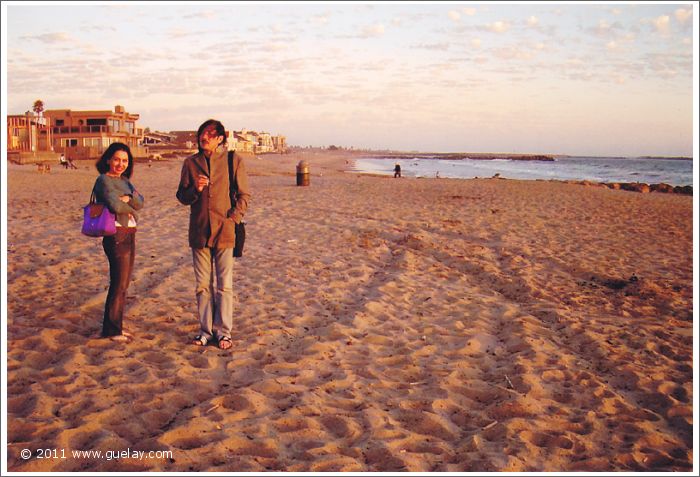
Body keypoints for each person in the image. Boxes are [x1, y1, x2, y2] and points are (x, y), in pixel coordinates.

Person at [176, 119, 250, 350]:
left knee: (224, 286)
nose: (204, 137)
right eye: (202, 133)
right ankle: (206, 331)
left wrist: (233, 219)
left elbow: (244, 195)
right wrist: (195, 190)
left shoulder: (233, 160)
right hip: (199, 232)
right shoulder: (191, 163)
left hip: (225, 232)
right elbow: (181, 197)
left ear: (220, 138)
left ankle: (224, 332)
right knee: (202, 286)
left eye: (210, 134)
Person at [92, 143, 144, 342]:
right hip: (115, 235)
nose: (120, 164)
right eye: (116, 159)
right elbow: (114, 205)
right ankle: (111, 330)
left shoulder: (125, 182)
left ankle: (116, 327)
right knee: (118, 283)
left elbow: (141, 202)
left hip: (130, 233)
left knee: (124, 283)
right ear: (108, 160)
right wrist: (129, 203)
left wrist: (128, 198)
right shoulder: (103, 180)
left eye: (124, 160)